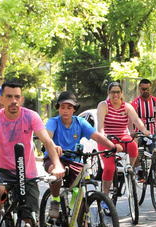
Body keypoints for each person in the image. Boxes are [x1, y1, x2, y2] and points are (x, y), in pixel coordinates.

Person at [0, 79, 64, 227]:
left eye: (17, 97)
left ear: (21, 99)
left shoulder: (31, 116)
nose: (13, 101)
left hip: (27, 173)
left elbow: (47, 141)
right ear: (1, 99)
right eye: (9, 97)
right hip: (4, 171)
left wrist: (57, 165)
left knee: (30, 219)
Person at [44, 90, 114, 220]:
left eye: (69, 107)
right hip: (54, 158)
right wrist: (53, 146)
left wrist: (112, 147)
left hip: (73, 159)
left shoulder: (80, 122)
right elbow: (47, 138)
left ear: (74, 109)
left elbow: (96, 136)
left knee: (79, 186)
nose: (65, 110)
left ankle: (75, 214)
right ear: (58, 108)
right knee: (56, 173)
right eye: (62, 107)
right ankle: (55, 200)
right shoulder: (53, 122)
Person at [96, 81, 148, 197]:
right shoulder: (103, 105)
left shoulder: (127, 106)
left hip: (122, 137)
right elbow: (100, 126)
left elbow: (136, 120)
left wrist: (144, 130)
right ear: (108, 93)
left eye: (118, 92)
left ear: (122, 93)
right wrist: (103, 136)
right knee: (109, 168)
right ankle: (105, 195)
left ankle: (129, 170)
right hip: (107, 139)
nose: (115, 95)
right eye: (113, 92)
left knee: (133, 145)